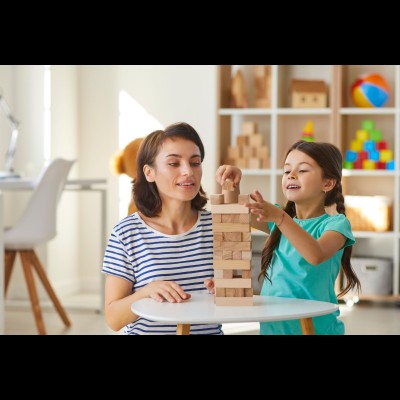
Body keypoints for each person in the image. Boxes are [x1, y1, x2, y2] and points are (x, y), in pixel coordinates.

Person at [215, 140, 361, 335]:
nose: (291, 175)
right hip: (273, 327)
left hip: (317, 329)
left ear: (327, 183)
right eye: (286, 171)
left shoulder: (336, 224)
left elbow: (315, 254)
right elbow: (234, 213)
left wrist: (279, 217)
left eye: (302, 170)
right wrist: (231, 185)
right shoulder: (278, 218)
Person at [102, 122, 222, 335]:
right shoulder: (126, 233)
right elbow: (113, 319)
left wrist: (226, 291)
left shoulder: (217, 228)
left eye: (195, 163)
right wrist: (146, 292)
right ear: (149, 172)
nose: (188, 171)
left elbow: (241, 298)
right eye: (174, 163)